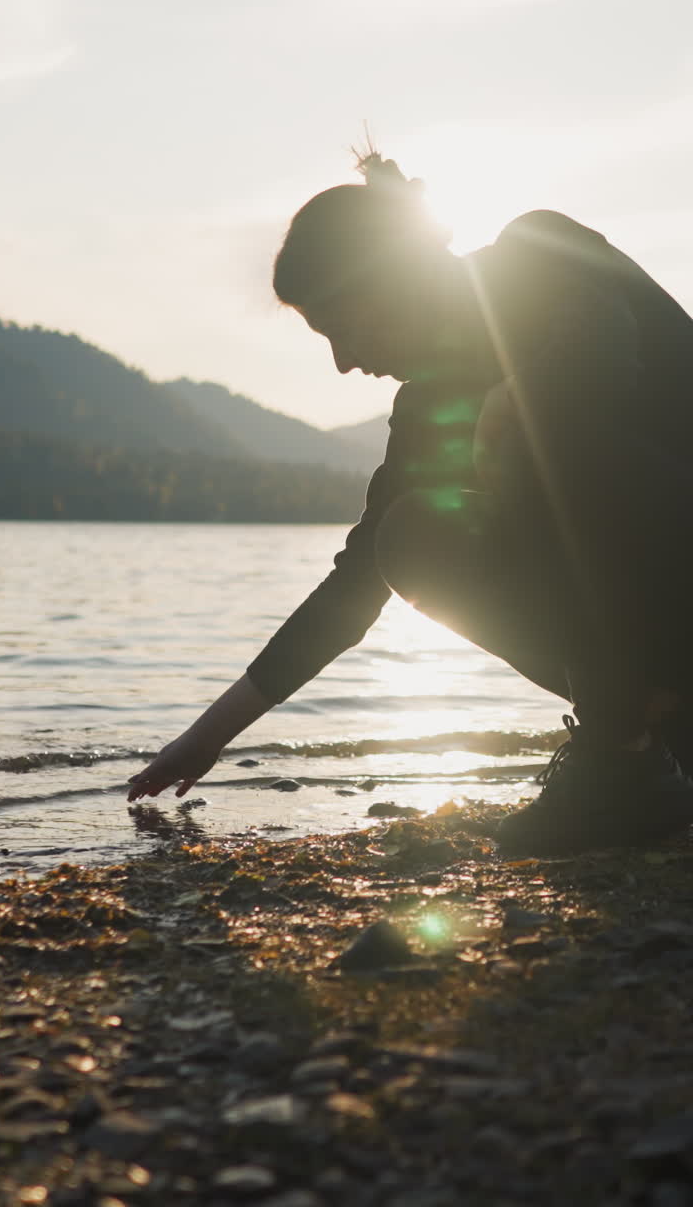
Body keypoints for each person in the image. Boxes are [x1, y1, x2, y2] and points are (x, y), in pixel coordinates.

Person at [127, 149, 693, 856]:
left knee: (538, 429)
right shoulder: (427, 405)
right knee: (409, 536)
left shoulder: (538, 251)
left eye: (339, 325)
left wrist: (511, 402)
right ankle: (660, 736)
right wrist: (204, 739)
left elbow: (608, 354)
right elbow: (355, 584)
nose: (341, 361)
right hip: (665, 641)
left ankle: (619, 756)